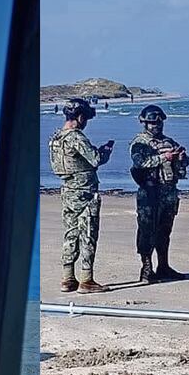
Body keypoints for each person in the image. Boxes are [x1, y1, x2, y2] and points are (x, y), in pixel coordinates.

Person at [48, 97, 113, 293]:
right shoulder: (76, 137)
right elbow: (95, 159)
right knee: (88, 233)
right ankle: (86, 279)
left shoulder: (56, 138)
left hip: (67, 190)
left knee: (70, 233)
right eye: (85, 119)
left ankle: (67, 278)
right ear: (80, 117)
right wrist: (105, 152)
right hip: (84, 192)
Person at [129, 105, 189, 283]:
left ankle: (163, 266)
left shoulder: (168, 142)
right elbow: (140, 163)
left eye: (159, 122)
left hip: (168, 191)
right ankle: (146, 268)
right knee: (147, 230)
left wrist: (181, 158)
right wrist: (164, 157)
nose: (156, 125)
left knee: (164, 231)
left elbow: (186, 160)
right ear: (145, 123)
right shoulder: (139, 143)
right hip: (149, 192)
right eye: (152, 123)